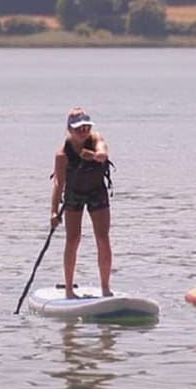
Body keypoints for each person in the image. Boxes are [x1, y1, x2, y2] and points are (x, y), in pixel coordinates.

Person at [50, 107, 114, 298]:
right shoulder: (63, 153)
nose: (83, 131)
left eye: (86, 127)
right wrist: (53, 212)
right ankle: (69, 290)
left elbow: (103, 154)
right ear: (69, 129)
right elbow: (58, 183)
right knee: (73, 239)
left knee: (102, 237)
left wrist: (93, 156)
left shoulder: (96, 140)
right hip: (74, 194)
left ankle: (105, 287)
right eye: (78, 128)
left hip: (96, 191)